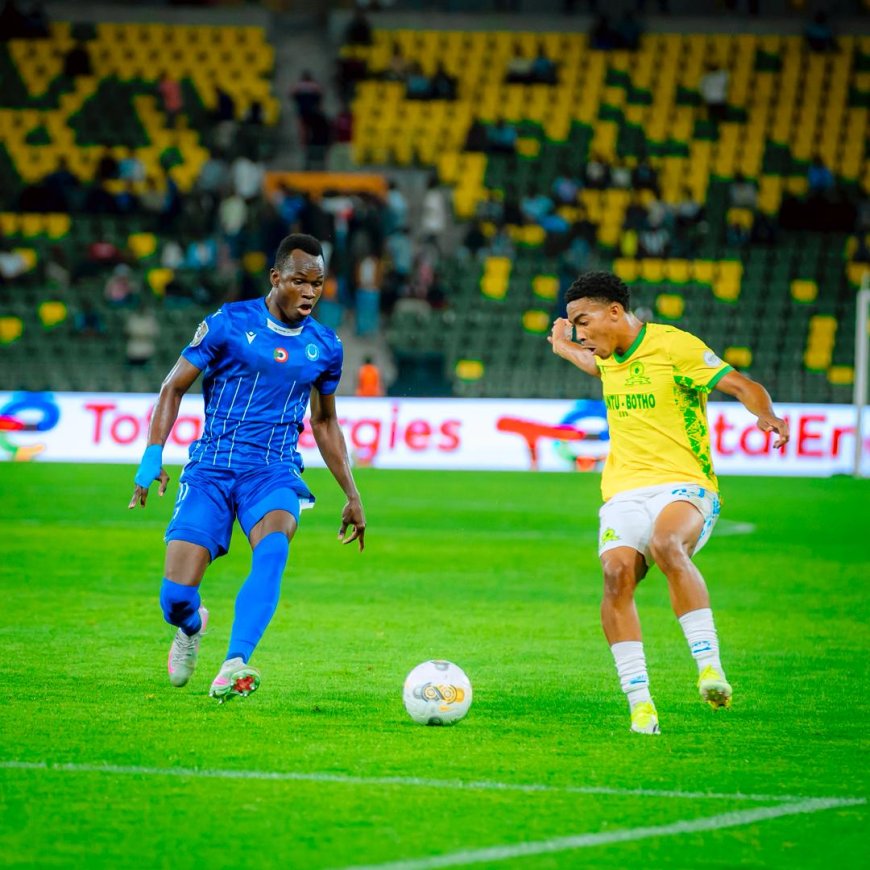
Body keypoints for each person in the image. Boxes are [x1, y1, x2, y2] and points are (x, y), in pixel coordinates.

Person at [547, 271, 789, 735]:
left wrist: (768, 416)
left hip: (686, 485)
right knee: (616, 574)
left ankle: (709, 667)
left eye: (583, 322)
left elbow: (741, 385)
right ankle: (641, 705)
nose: (581, 334)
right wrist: (562, 343)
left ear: (614, 312)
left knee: (666, 543)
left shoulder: (673, 346)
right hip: (624, 490)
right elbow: (590, 362)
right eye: (575, 325)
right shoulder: (607, 356)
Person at [128, 234, 366, 703]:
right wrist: (152, 456)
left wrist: (352, 493)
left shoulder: (325, 346)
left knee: (273, 550)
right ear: (276, 278)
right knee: (174, 599)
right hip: (212, 470)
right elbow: (173, 387)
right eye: (299, 281)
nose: (310, 292)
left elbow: (324, 421)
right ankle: (192, 626)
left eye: (318, 283)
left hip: (273, 472)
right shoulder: (229, 323)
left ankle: (235, 662)